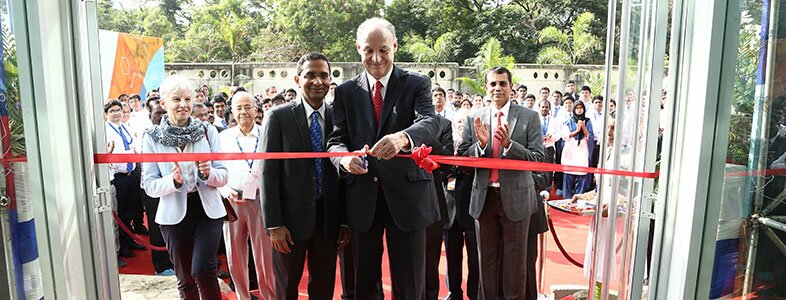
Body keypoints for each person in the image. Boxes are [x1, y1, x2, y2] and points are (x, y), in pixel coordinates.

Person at [327, 17, 440, 298]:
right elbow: (335, 141)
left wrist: (403, 138)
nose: (376, 58)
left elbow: (431, 121)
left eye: (383, 50)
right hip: (362, 198)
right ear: (358, 48)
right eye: (368, 50)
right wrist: (343, 159)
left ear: (395, 46)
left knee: (410, 282)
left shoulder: (416, 83)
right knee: (363, 283)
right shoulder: (345, 92)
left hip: (408, 197)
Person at [262, 52, 350, 299]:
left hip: (328, 219)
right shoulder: (278, 117)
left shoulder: (338, 118)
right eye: (310, 75)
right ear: (297, 79)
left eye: (323, 75)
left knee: (323, 287)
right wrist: (274, 224)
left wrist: (343, 220)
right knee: (286, 288)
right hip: (288, 222)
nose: (317, 81)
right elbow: (268, 172)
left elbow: (344, 175)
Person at [457, 66, 545, 298]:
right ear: (486, 88)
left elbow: (538, 158)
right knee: (486, 264)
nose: (498, 88)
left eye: (503, 84)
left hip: (517, 201)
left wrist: (509, 146)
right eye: (493, 84)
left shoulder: (529, 117)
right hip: (484, 199)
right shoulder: (473, 118)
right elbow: (464, 158)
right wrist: (482, 146)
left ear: (511, 87)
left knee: (515, 267)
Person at [141, 75, 228, 300]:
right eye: (176, 99)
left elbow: (223, 175)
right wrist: (173, 181)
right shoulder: (152, 137)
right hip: (172, 215)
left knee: (203, 269)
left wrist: (208, 175)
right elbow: (149, 185)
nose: (183, 105)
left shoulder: (208, 131)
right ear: (163, 103)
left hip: (207, 210)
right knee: (185, 279)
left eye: (188, 99)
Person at [219, 91, 276, 300]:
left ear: (256, 110)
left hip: (261, 199)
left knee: (264, 254)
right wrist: (226, 191)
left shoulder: (267, 133)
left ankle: (269, 295)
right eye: (239, 108)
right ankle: (243, 295)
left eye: (248, 107)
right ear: (232, 111)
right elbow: (217, 170)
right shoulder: (223, 137)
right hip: (232, 200)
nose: (243, 112)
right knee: (234, 253)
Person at [444, 109, 479, 300]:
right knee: (451, 256)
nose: (461, 125)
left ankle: (474, 293)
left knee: (475, 257)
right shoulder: (446, 144)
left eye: (464, 122)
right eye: (458, 122)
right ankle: (454, 292)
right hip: (450, 210)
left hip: (472, 208)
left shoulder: (478, 146)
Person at [424, 113, 455, 300]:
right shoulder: (399, 118)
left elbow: (447, 164)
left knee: (430, 262)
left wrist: (426, 136)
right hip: (401, 202)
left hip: (433, 200)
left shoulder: (443, 124)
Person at [561, 101, 595, 199]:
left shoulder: (588, 121)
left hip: (582, 151)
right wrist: (577, 130)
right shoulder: (568, 120)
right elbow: (565, 136)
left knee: (581, 176)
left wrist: (584, 128)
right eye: (577, 108)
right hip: (570, 151)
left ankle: (579, 200)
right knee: (568, 176)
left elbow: (590, 137)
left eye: (581, 108)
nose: (579, 110)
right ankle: (567, 200)